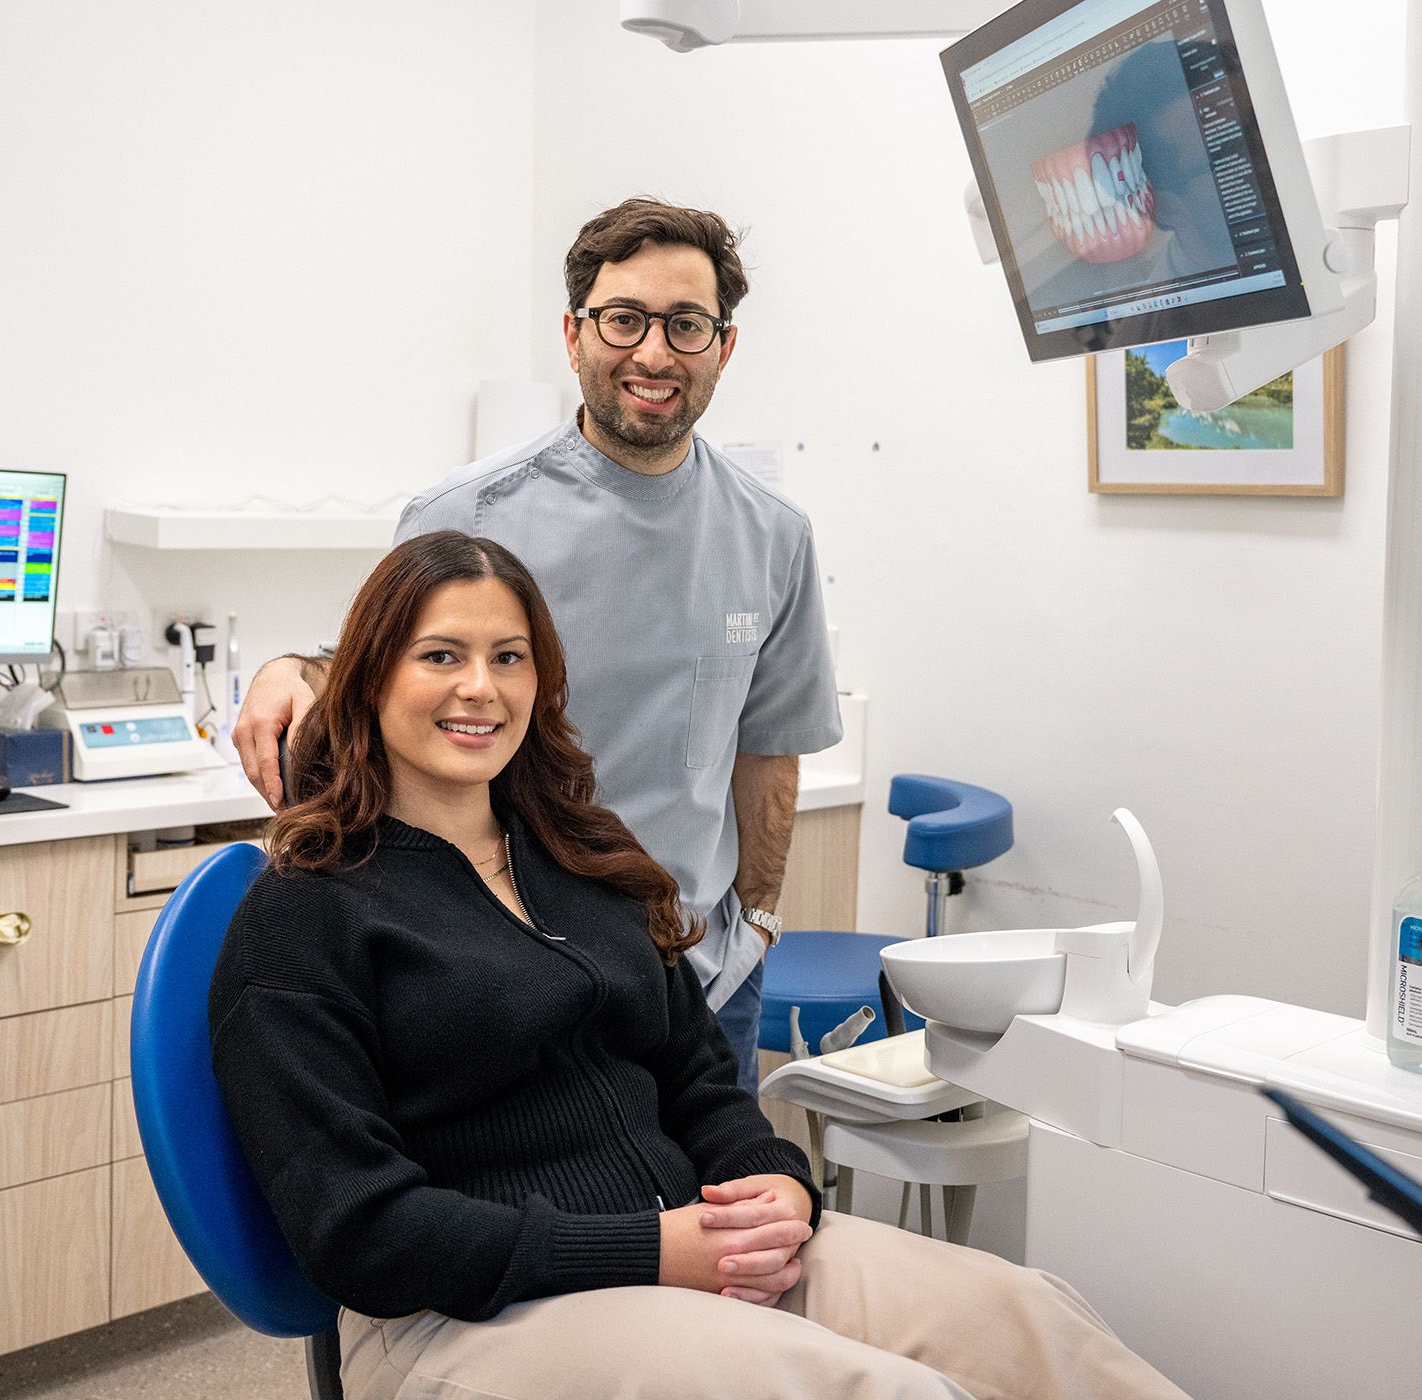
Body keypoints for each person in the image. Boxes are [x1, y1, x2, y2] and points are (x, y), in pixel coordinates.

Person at [210, 530, 1190, 1400]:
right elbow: (363, 1231)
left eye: (508, 656)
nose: (481, 686)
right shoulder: (306, 915)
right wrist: (654, 1249)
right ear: (370, 678)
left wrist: (772, 1180)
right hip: (460, 1316)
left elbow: (697, 1075)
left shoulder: (580, 860)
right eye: (441, 655)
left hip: (689, 1240)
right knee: (873, 1389)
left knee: (1027, 1316)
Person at [232, 197, 839, 1092]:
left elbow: (768, 747)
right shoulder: (470, 515)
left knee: (731, 1219)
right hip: (505, 980)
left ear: (725, 346)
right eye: (623, 320)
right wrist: (293, 667)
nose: (653, 353)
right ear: (574, 333)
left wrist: (756, 921)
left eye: (687, 325)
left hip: (703, 980)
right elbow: (388, 680)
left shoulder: (773, 536)